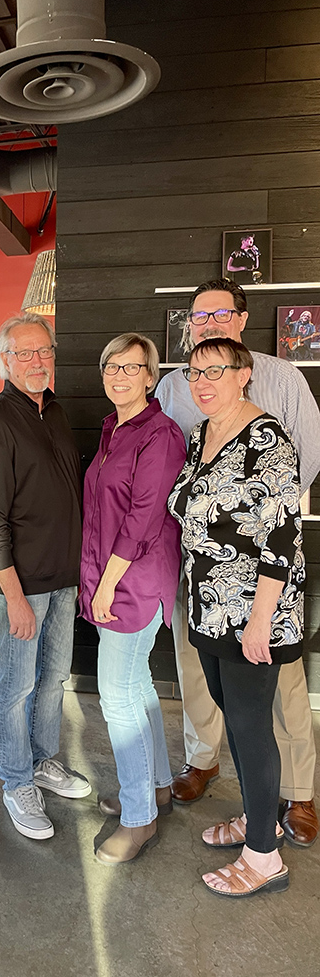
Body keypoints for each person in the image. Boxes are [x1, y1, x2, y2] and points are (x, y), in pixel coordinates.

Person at [156, 278, 320, 848]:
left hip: (261, 586)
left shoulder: (283, 381)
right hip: (198, 573)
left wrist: (248, 535)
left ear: (242, 321)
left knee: (278, 692)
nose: (209, 323)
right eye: (198, 318)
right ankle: (206, 762)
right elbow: (174, 468)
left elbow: (296, 477)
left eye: (220, 313)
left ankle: (296, 794)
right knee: (200, 674)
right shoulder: (177, 389)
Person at [168, 337, 303, 896]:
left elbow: (282, 538)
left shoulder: (268, 439)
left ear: (244, 373)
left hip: (254, 614)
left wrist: (258, 620)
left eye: (215, 371)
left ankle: (264, 859)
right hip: (209, 606)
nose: (201, 382)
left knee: (249, 728)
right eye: (194, 372)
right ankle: (259, 817)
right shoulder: (203, 435)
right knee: (235, 715)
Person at [0, 312, 89, 842]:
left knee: (53, 680)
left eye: (45, 352)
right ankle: (17, 782)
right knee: (14, 687)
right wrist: (14, 598)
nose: (38, 362)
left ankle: (43, 762)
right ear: (4, 362)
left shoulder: (56, 412)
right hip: (21, 587)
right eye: (25, 354)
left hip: (63, 581)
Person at [81, 334, 186, 864]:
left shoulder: (161, 435)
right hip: (110, 576)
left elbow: (144, 518)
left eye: (131, 367)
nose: (119, 375)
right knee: (137, 684)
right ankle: (158, 787)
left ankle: (139, 817)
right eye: (110, 366)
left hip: (133, 582)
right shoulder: (112, 430)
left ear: (151, 376)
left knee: (116, 699)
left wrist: (105, 585)